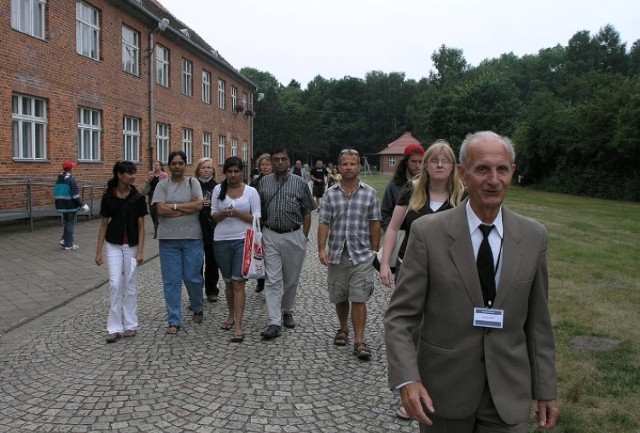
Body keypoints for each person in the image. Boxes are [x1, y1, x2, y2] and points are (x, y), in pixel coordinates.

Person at [384, 131, 559, 432]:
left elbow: (538, 323)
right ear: (463, 175)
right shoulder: (429, 233)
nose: (494, 180)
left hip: (508, 393)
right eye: (482, 169)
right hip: (444, 394)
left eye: (502, 169)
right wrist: (407, 378)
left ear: (512, 173)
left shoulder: (533, 237)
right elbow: (400, 318)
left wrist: (546, 388)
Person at [378, 140, 466, 419]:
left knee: (444, 332)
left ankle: (443, 390)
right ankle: (411, 394)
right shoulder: (413, 190)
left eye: (446, 161)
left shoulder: (463, 196)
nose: (439, 165)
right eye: (434, 160)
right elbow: (392, 228)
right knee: (410, 330)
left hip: (451, 275)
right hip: (411, 270)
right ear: (426, 164)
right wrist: (384, 263)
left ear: (453, 167)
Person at [318, 149, 381, 360]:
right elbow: (324, 223)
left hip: (362, 254)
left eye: (352, 164)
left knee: (359, 296)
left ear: (359, 166)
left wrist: (375, 249)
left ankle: (360, 341)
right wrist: (321, 249)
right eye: (344, 164)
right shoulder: (330, 194)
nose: (348, 167)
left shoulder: (370, 193)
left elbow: (375, 223)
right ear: (339, 167)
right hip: (337, 252)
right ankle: (343, 328)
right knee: (340, 295)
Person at [257, 148, 316, 339]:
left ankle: (287, 310)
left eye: (283, 159)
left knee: (290, 279)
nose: (280, 162)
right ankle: (273, 321)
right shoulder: (263, 182)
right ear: (271, 162)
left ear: (289, 161)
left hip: (293, 234)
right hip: (270, 234)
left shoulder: (299, 183)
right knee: (272, 279)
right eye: (276, 160)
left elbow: (307, 211)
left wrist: (303, 236)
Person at [152, 150, 204, 334]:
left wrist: (172, 206)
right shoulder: (162, 185)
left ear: (185, 164)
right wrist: (184, 208)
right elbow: (160, 210)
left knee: (192, 277)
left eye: (180, 163)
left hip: (192, 238)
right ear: (169, 165)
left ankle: (197, 306)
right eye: (173, 163)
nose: (177, 166)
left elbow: (199, 205)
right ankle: (174, 320)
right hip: (168, 240)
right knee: (171, 281)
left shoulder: (193, 182)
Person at [95, 161, 147, 343]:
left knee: (130, 285)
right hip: (113, 245)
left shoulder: (138, 198)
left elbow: (141, 226)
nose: (133, 176)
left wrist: (140, 250)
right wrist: (98, 251)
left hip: (132, 245)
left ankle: (131, 324)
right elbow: (103, 223)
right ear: (119, 175)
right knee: (115, 285)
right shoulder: (108, 196)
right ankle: (114, 327)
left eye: (134, 172)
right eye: (129, 173)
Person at [211, 157, 261, 343]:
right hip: (221, 240)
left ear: (242, 172)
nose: (233, 175)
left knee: (239, 282)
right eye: (229, 172)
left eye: (236, 171)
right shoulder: (218, 190)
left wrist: (237, 213)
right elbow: (213, 216)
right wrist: (224, 214)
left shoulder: (251, 192)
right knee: (229, 282)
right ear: (225, 173)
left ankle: (239, 325)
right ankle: (231, 315)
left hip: (243, 240)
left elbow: (257, 219)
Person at [380, 143, 424, 230]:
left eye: (420, 161)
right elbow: (384, 214)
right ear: (406, 162)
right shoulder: (394, 185)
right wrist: (394, 233)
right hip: (400, 235)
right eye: (414, 161)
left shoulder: (428, 185)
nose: (417, 166)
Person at [195, 157, 221, 303]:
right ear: (198, 169)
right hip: (196, 227)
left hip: (212, 228)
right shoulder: (192, 185)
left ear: (213, 170)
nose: (206, 170)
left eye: (209, 168)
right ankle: (196, 290)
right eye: (203, 167)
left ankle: (212, 290)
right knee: (196, 262)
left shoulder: (217, 187)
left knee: (212, 261)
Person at [250, 153, 273, 293]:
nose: (265, 167)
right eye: (263, 165)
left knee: (270, 252)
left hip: (271, 219)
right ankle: (260, 279)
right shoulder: (255, 182)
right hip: (259, 221)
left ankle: (271, 280)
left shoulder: (277, 180)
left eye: (267, 164)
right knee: (259, 250)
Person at [54, 161, 85, 250]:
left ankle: (64, 240)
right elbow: (75, 195)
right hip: (70, 205)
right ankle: (69, 244)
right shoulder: (71, 180)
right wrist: (81, 205)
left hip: (62, 205)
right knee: (70, 224)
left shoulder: (59, 178)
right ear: (71, 169)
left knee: (67, 223)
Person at [147, 161, 169, 238]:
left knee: (157, 213)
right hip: (151, 195)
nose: (155, 166)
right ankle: (156, 227)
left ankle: (157, 231)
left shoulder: (164, 175)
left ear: (160, 166)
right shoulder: (150, 174)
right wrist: (150, 179)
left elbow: (167, 185)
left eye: (156, 165)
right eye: (154, 165)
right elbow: (148, 184)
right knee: (152, 212)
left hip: (160, 195)